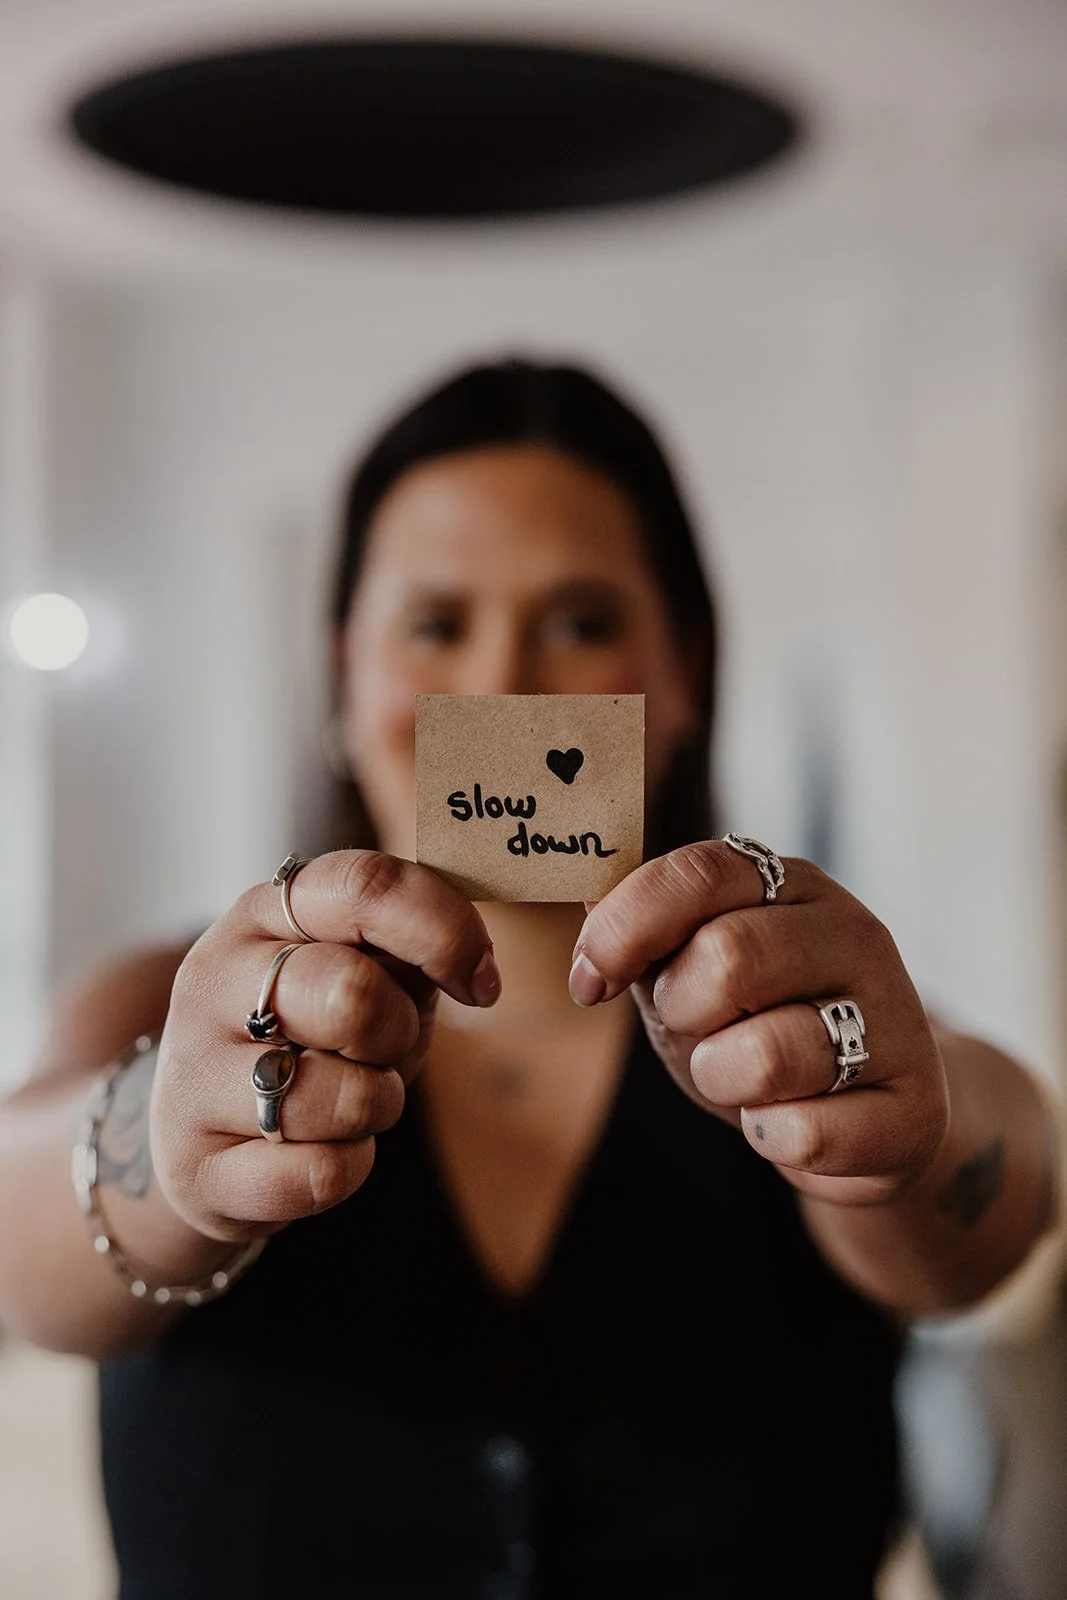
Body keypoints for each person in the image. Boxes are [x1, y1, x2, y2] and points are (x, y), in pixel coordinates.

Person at [0, 357, 1058, 1600]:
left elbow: (999, 1173)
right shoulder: (159, 1006)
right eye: (436, 623)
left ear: (684, 677)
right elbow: (22, 1233)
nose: (503, 681)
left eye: (579, 618)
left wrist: (910, 1139)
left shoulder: (807, 1030)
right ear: (343, 680)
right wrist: (165, 1139)